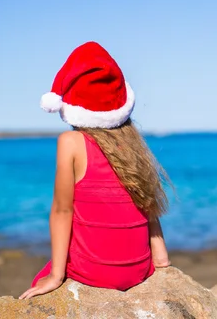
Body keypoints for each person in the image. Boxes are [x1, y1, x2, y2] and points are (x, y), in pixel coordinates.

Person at [19, 42, 172, 299]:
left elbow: (62, 209)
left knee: (40, 278)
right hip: (138, 269)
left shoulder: (71, 143)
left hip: (95, 272)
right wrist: (160, 256)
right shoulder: (132, 143)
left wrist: (56, 275)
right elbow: (147, 200)